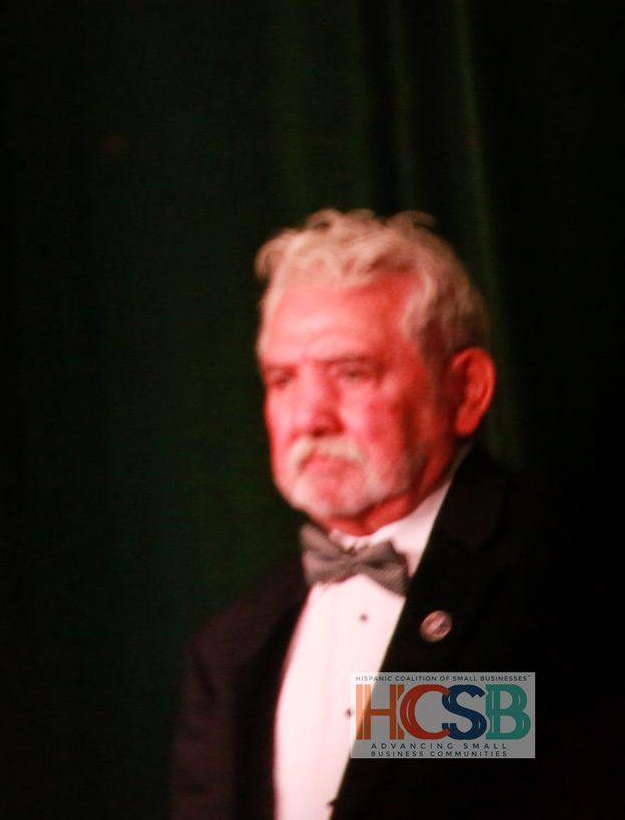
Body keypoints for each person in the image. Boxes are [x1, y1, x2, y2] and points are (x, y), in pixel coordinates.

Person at [170, 209, 567, 819]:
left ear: (465, 391)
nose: (309, 418)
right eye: (282, 381)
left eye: (352, 373)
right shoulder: (234, 646)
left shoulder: (567, 577)